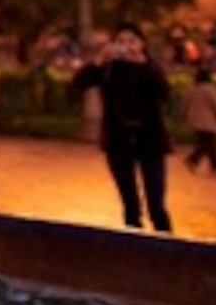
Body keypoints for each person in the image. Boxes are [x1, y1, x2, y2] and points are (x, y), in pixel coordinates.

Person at [71, 22, 176, 232]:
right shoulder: (109, 69)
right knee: (130, 204)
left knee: (156, 203)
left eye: (132, 41)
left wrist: (144, 64)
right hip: (118, 141)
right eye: (120, 41)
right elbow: (78, 85)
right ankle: (134, 249)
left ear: (142, 44)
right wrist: (97, 62)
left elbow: (165, 94)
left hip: (150, 140)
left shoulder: (149, 67)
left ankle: (168, 247)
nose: (126, 46)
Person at [180, 60, 216, 175]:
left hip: (194, 120)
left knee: (208, 143)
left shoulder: (191, 89)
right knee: (207, 143)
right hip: (208, 121)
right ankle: (193, 159)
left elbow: (185, 105)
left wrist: (184, 117)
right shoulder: (211, 89)